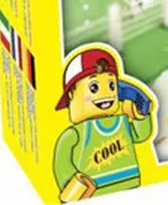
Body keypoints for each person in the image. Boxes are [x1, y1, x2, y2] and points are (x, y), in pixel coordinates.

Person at [52, 47, 155, 201]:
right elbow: (62, 164)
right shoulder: (76, 134)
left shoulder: (121, 122)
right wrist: (74, 190)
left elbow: (141, 135)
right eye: (94, 87)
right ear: (72, 93)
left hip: (131, 188)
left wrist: (140, 113)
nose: (106, 94)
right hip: (94, 194)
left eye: (112, 86)